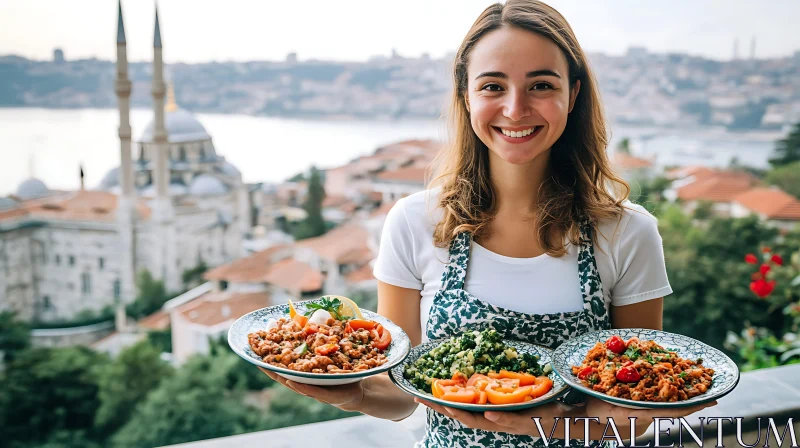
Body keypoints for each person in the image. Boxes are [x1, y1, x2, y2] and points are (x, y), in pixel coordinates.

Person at [261, 1, 715, 446]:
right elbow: (401, 395)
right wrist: (351, 392)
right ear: (466, 95)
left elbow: (635, 413)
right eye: (493, 86)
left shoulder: (628, 233)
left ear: (573, 94)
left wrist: (545, 421)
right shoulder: (414, 222)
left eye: (540, 85)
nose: (516, 109)